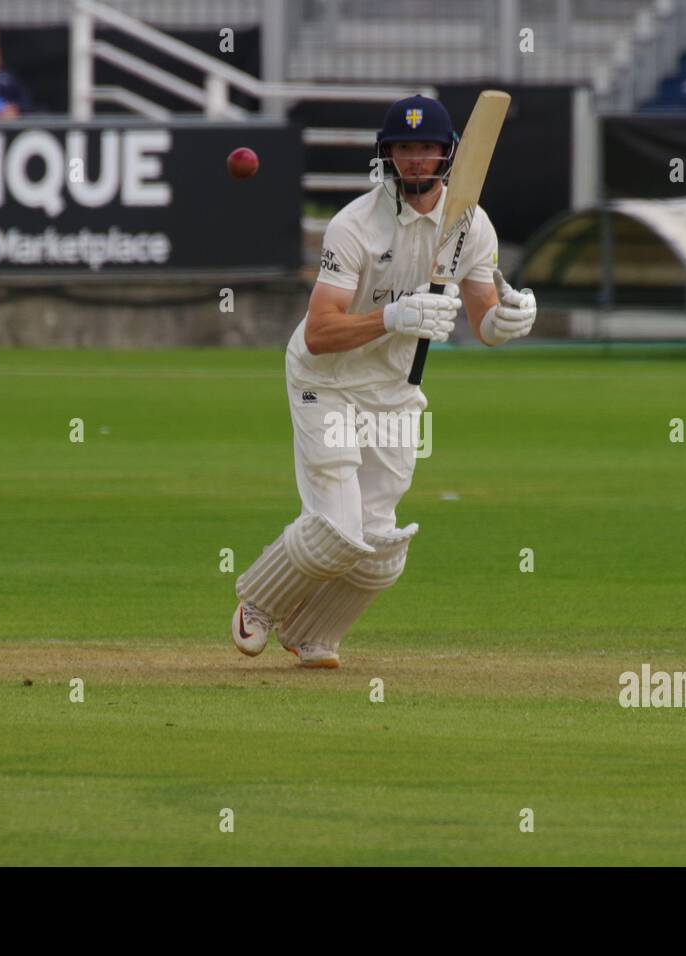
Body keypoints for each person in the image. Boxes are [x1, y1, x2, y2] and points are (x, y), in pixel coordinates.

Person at [229, 94, 538, 669]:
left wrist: (506, 322)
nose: (415, 161)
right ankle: (258, 602)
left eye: (425, 149)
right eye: (403, 149)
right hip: (327, 381)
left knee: (378, 550)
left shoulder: (471, 226)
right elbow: (320, 332)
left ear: (447, 155)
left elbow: (483, 318)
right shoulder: (353, 226)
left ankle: (314, 632)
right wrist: (392, 318)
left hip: (394, 392)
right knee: (335, 532)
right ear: (387, 157)